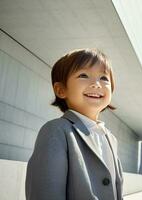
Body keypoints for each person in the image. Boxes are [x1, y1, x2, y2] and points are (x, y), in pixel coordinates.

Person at [25, 49, 124, 200]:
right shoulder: (56, 131)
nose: (97, 84)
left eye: (104, 78)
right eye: (84, 75)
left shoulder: (111, 139)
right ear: (61, 90)